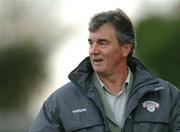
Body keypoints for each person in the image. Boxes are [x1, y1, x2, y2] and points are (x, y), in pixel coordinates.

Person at [29, 9, 180, 132]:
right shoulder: (60, 102)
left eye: (102, 43)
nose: (93, 51)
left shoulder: (169, 97)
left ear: (125, 48)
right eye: (91, 43)